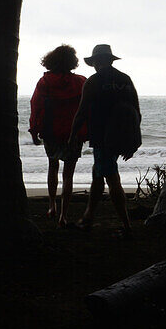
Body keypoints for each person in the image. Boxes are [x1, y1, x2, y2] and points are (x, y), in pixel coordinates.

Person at [68, 44, 141, 238]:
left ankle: (126, 227)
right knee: (98, 174)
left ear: (97, 62)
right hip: (122, 135)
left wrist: (72, 135)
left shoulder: (94, 81)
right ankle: (88, 218)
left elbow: (82, 112)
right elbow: (136, 112)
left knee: (111, 178)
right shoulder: (125, 79)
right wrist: (133, 139)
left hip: (102, 137)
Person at [28, 45, 87, 226]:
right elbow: (86, 109)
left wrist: (34, 131)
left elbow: (36, 106)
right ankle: (63, 215)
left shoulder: (45, 82)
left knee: (52, 166)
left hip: (51, 131)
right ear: (72, 62)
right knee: (68, 174)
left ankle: (52, 205)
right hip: (73, 133)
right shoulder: (81, 82)